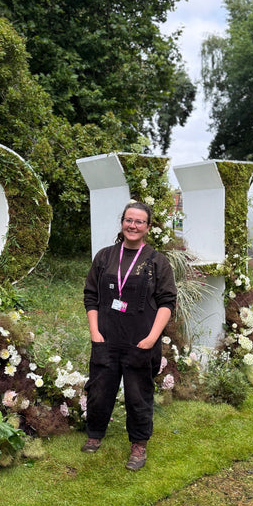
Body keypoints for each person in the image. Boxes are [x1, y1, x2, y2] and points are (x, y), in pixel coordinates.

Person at [82, 201, 177, 470]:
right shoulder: (104, 257)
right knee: (100, 390)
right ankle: (95, 433)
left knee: (138, 394)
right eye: (128, 220)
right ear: (122, 222)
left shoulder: (158, 262)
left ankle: (138, 445)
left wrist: (151, 338)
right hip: (106, 338)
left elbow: (168, 302)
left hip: (140, 342)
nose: (132, 226)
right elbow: (91, 296)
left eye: (139, 222)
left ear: (148, 227)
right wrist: (95, 332)